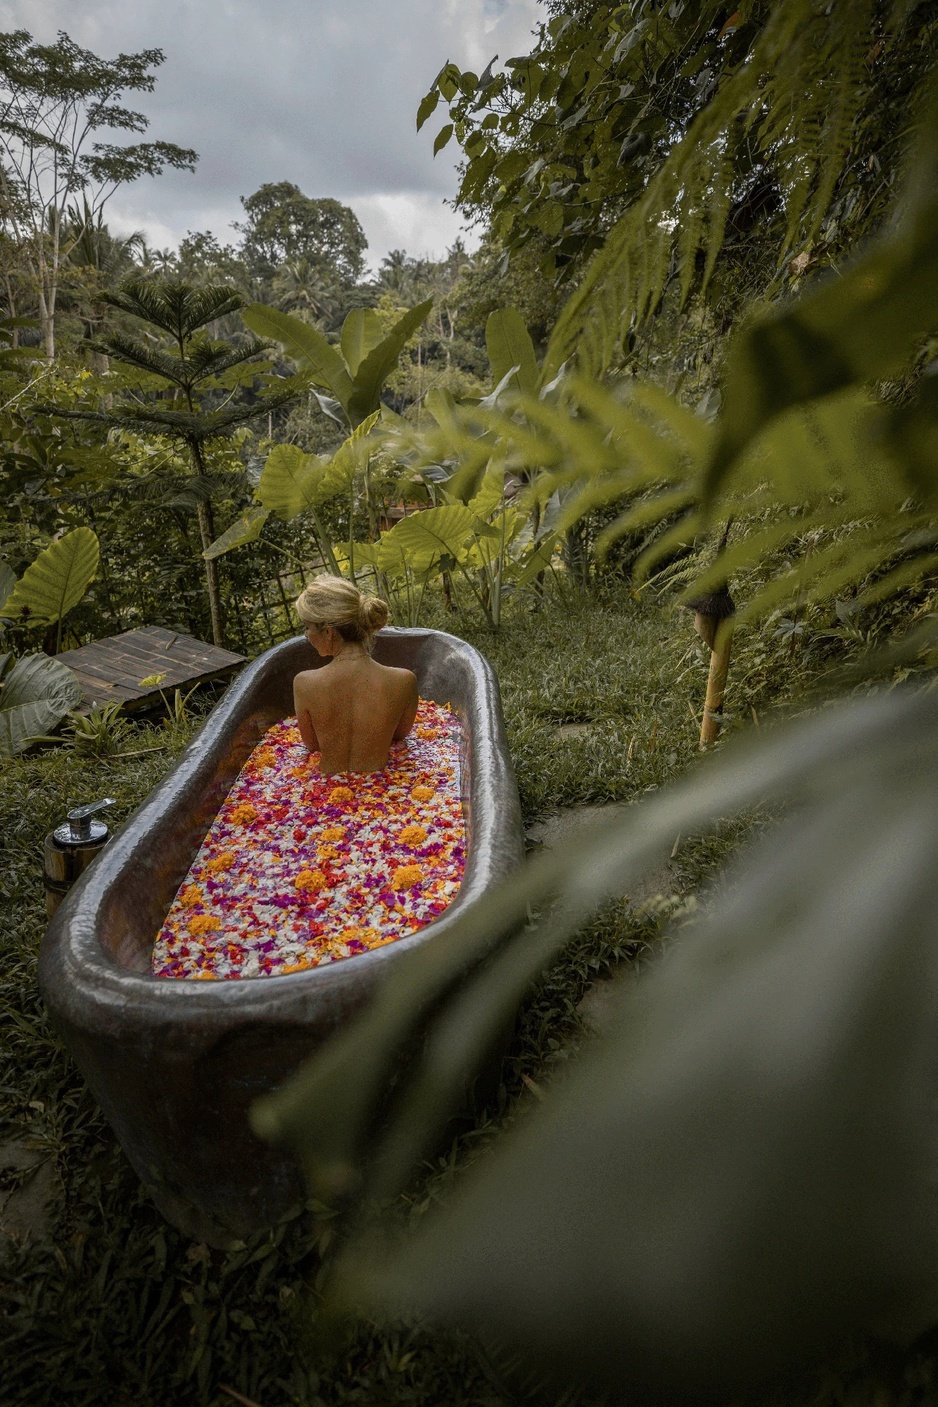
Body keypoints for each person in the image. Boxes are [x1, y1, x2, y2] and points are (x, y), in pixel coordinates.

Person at [293, 574, 418, 775]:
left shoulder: (304, 684)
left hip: (325, 794)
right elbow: (400, 735)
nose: (307, 635)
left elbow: (313, 746)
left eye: (308, 627)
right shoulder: (404, 681)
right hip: (383, 793)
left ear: (328, 633)